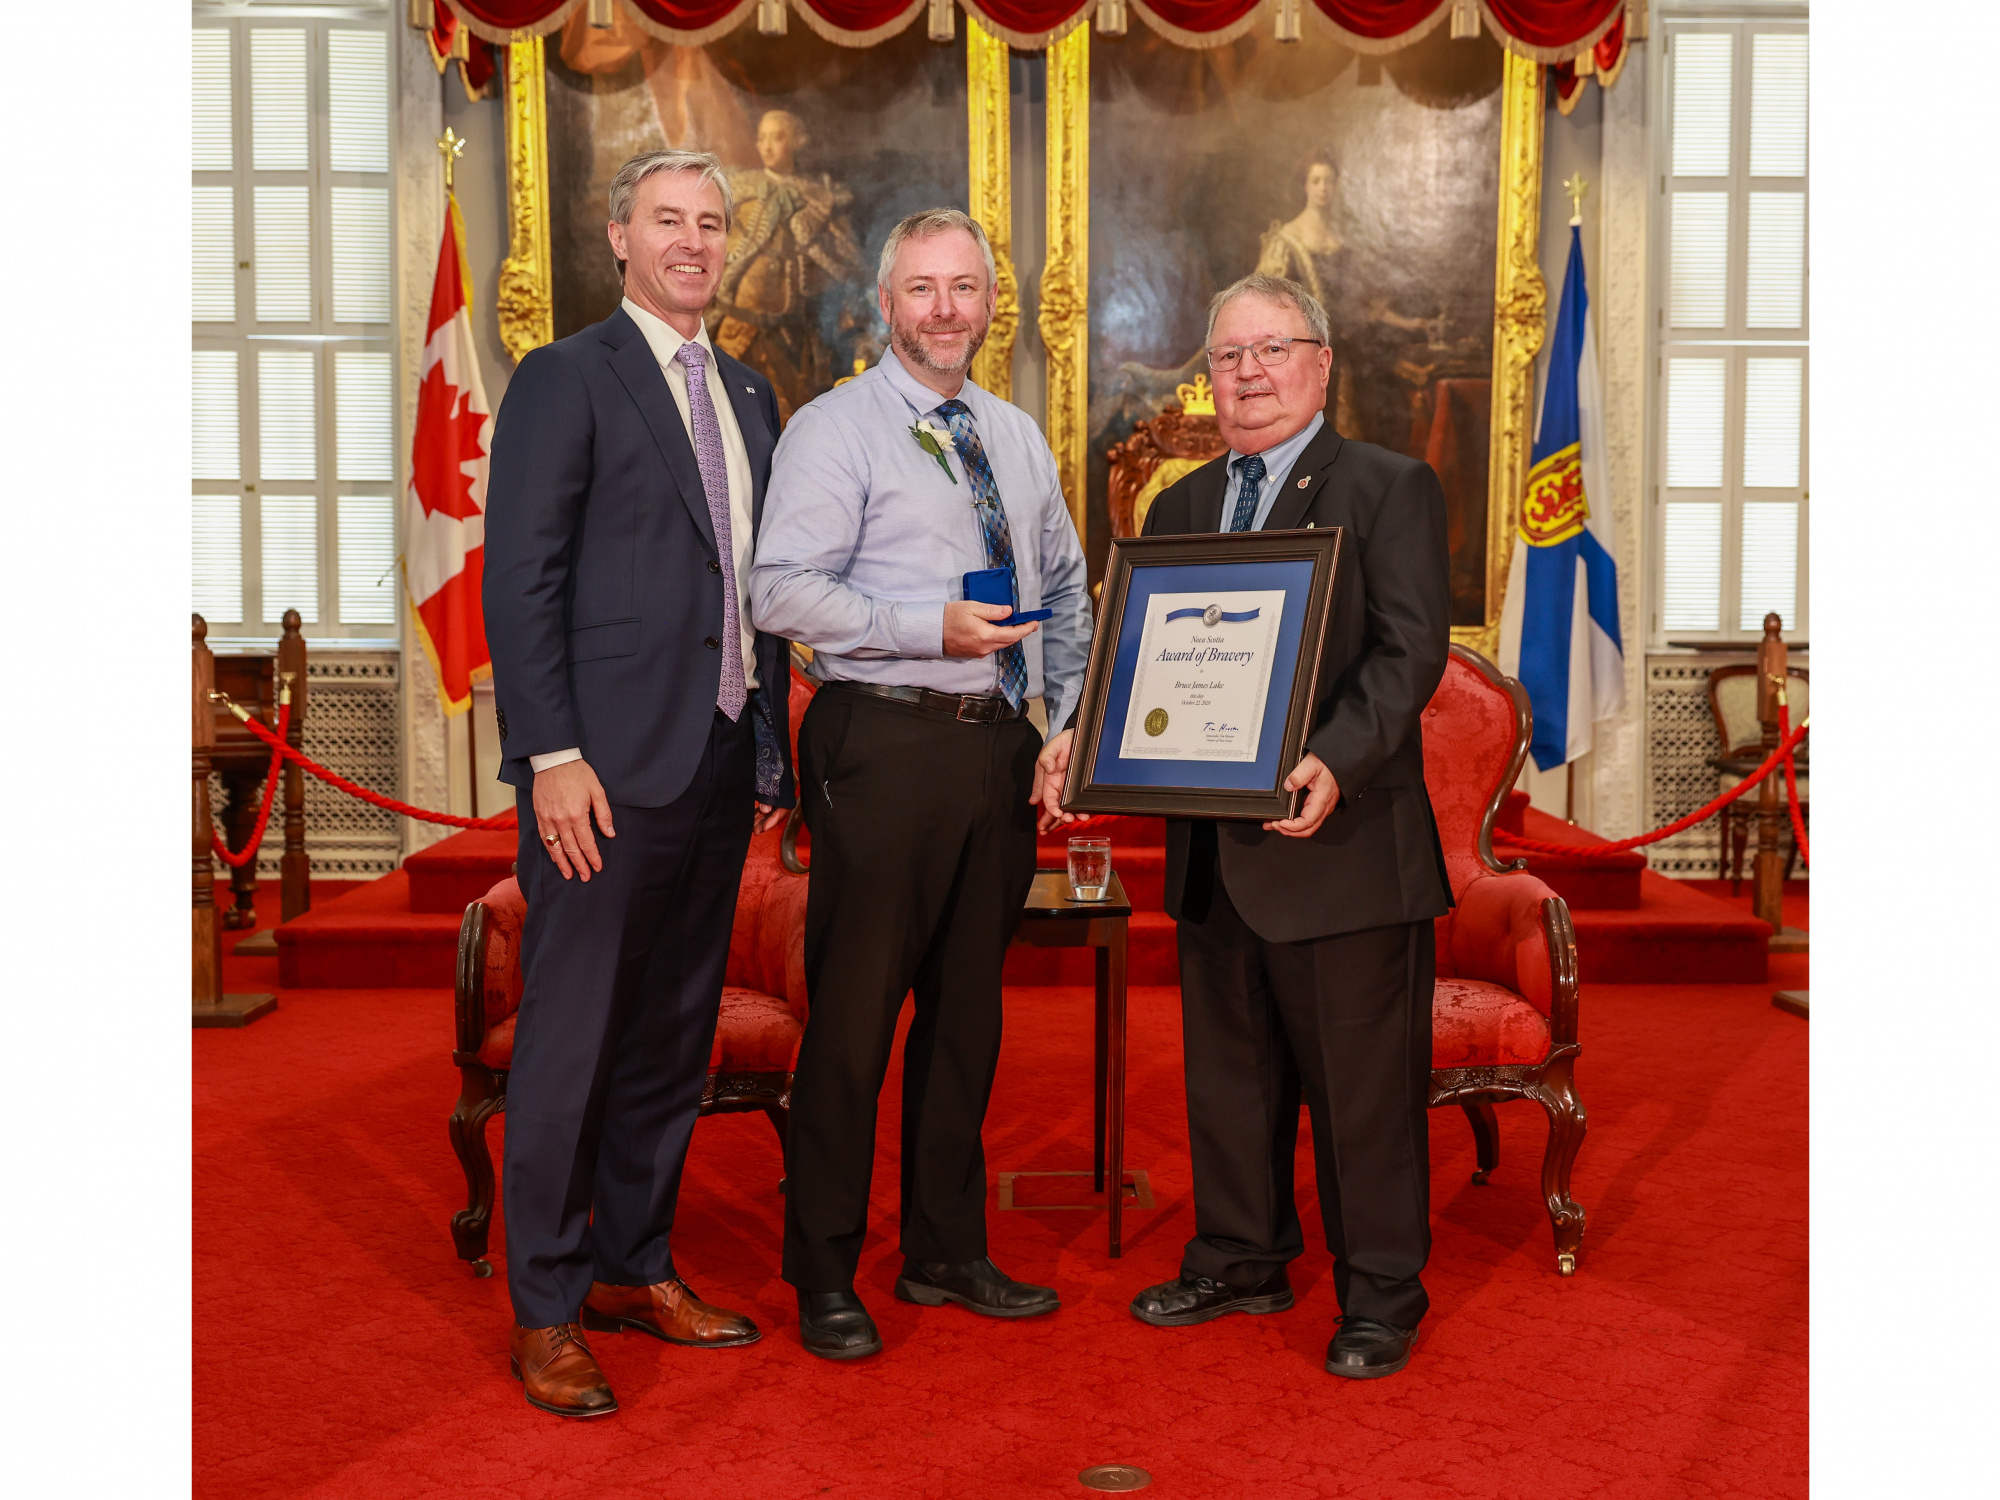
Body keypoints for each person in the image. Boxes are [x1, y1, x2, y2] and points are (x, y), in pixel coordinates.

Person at [1039, 271, 1452, 1380]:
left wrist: (1333, 756)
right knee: (1231, 1076)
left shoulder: (1384, 486)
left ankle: (1378, 1293)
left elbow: (1408, 654)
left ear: (1319, 364)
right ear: (1206, 377)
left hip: (1343, 849)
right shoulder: (1175, 508)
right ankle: (1239, 1257)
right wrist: (1083, 744)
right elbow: (1138, 665)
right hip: (1213, 855)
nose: (1250, 374)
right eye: (1229, 358)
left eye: (1273, 351)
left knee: (1360, 1094)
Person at [482, 149, 795, 1418]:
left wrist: (769, 745)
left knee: (671, 1035)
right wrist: (549, 757)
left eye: (711, 225)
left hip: (720, 758)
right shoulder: (567, 377)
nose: (691, 242)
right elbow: (523, 577)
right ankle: (546, 1308)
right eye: (666, 220)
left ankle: (631, 1264)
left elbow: (758, 583)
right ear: (617, 237)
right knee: (570, 1041)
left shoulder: (751, 390)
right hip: (599, 778)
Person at [750, 208, 1092, 1360]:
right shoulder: (833, 430)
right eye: (922, 290)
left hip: (993, 748)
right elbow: (778, 591)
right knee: (852, 1022)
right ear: (884, 304)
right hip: (878, 741)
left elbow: (1064, 589)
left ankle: (945, 1249)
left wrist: (1065, 724)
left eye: (965, 289)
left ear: (991, 301)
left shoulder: (1015, 433)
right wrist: (920, 628)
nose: (945, 310)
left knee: (965, 1018)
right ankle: (823, 1273)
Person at [712, 109, 868, 424]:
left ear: (797, 142)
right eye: (762, 138)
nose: (767, 146)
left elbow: (844, 263)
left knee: (790, 419)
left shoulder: (819, 198)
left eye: (777, 137)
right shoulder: (738, 190)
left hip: (793, 332)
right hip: (739, 324)